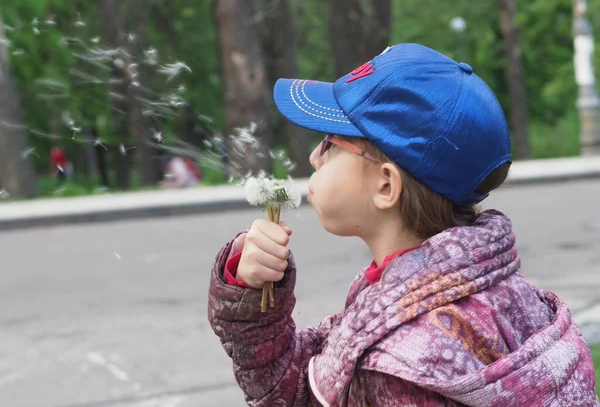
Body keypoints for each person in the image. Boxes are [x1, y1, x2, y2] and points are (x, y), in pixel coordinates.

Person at [207, 44, 599, 406]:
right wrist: (253, 295)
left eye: (331, 141)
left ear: (386, 184)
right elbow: (304, 390)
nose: (314, 156)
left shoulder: (406, 364)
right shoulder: (489, 293)